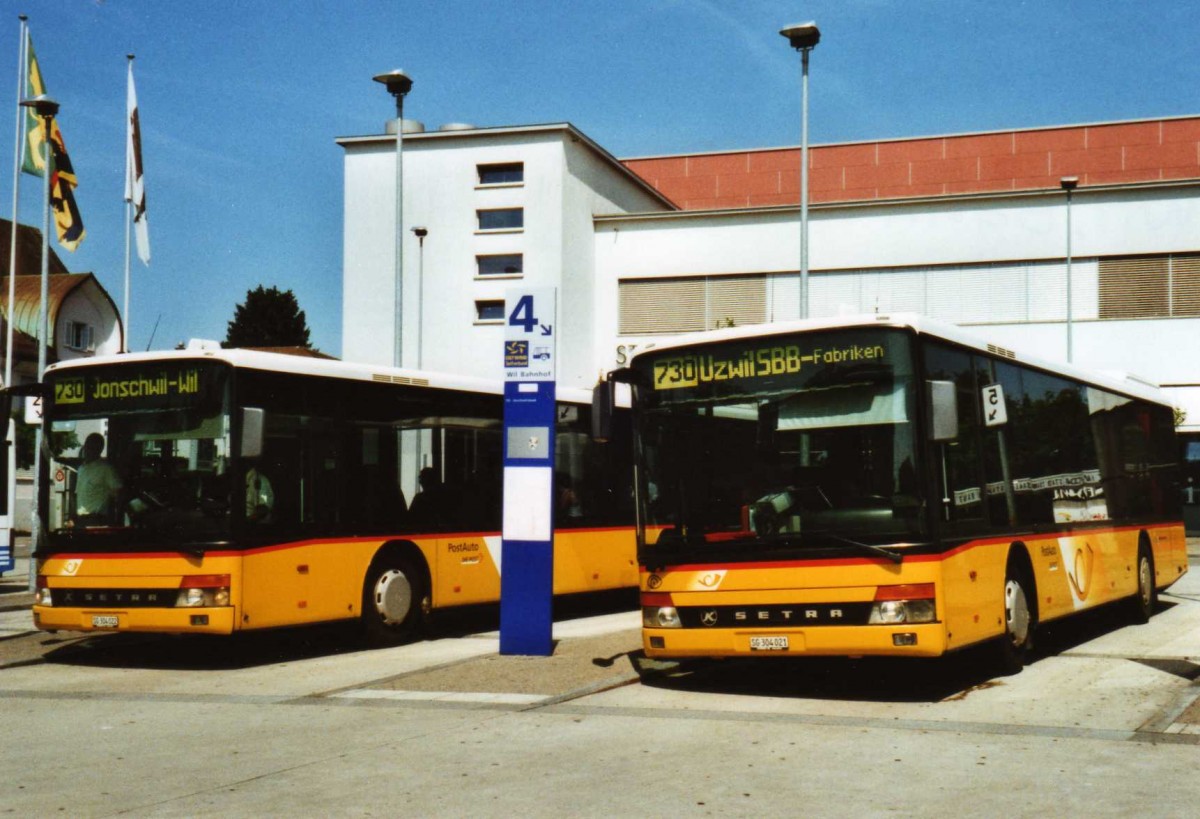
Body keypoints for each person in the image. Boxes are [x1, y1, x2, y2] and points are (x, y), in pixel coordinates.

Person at [75, 433, 123, 523]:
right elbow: (79, 496)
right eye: (87, 446)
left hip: (97, 520)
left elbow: (119, 494)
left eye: (93, 447)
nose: (88, 450)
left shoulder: (106, 469)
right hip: (80, 520)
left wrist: (117, 520)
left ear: (99, 450)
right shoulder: (81, 469)